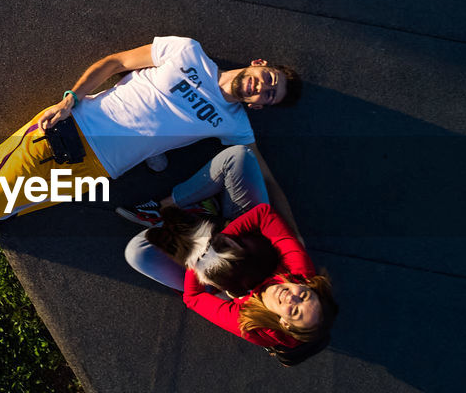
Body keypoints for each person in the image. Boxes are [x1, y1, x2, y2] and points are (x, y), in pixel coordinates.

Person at [0, 37, 300, 264]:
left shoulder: (234, 123)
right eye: (269, 79)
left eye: (270, 96)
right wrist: (70, 98)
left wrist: (293, 245)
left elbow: (262, 179)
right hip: (66, 127)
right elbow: (116, 62)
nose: (263, 88)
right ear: (260, 63)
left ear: (260, 107)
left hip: (96, 170)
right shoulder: (187, 51)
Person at [122, 145, 337, 365]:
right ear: (309, 288)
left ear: (285, 323)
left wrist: (197, 257)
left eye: (294, 310)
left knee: (137, 253)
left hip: (210, 273)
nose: (292, 297)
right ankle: (172, 205)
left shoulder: (251, 325)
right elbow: (264, 216)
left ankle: (197, 216)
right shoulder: (301, 273)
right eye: (304, 296)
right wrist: (216, 239)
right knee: (239, 156)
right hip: (244, 234)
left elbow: (193, 298)